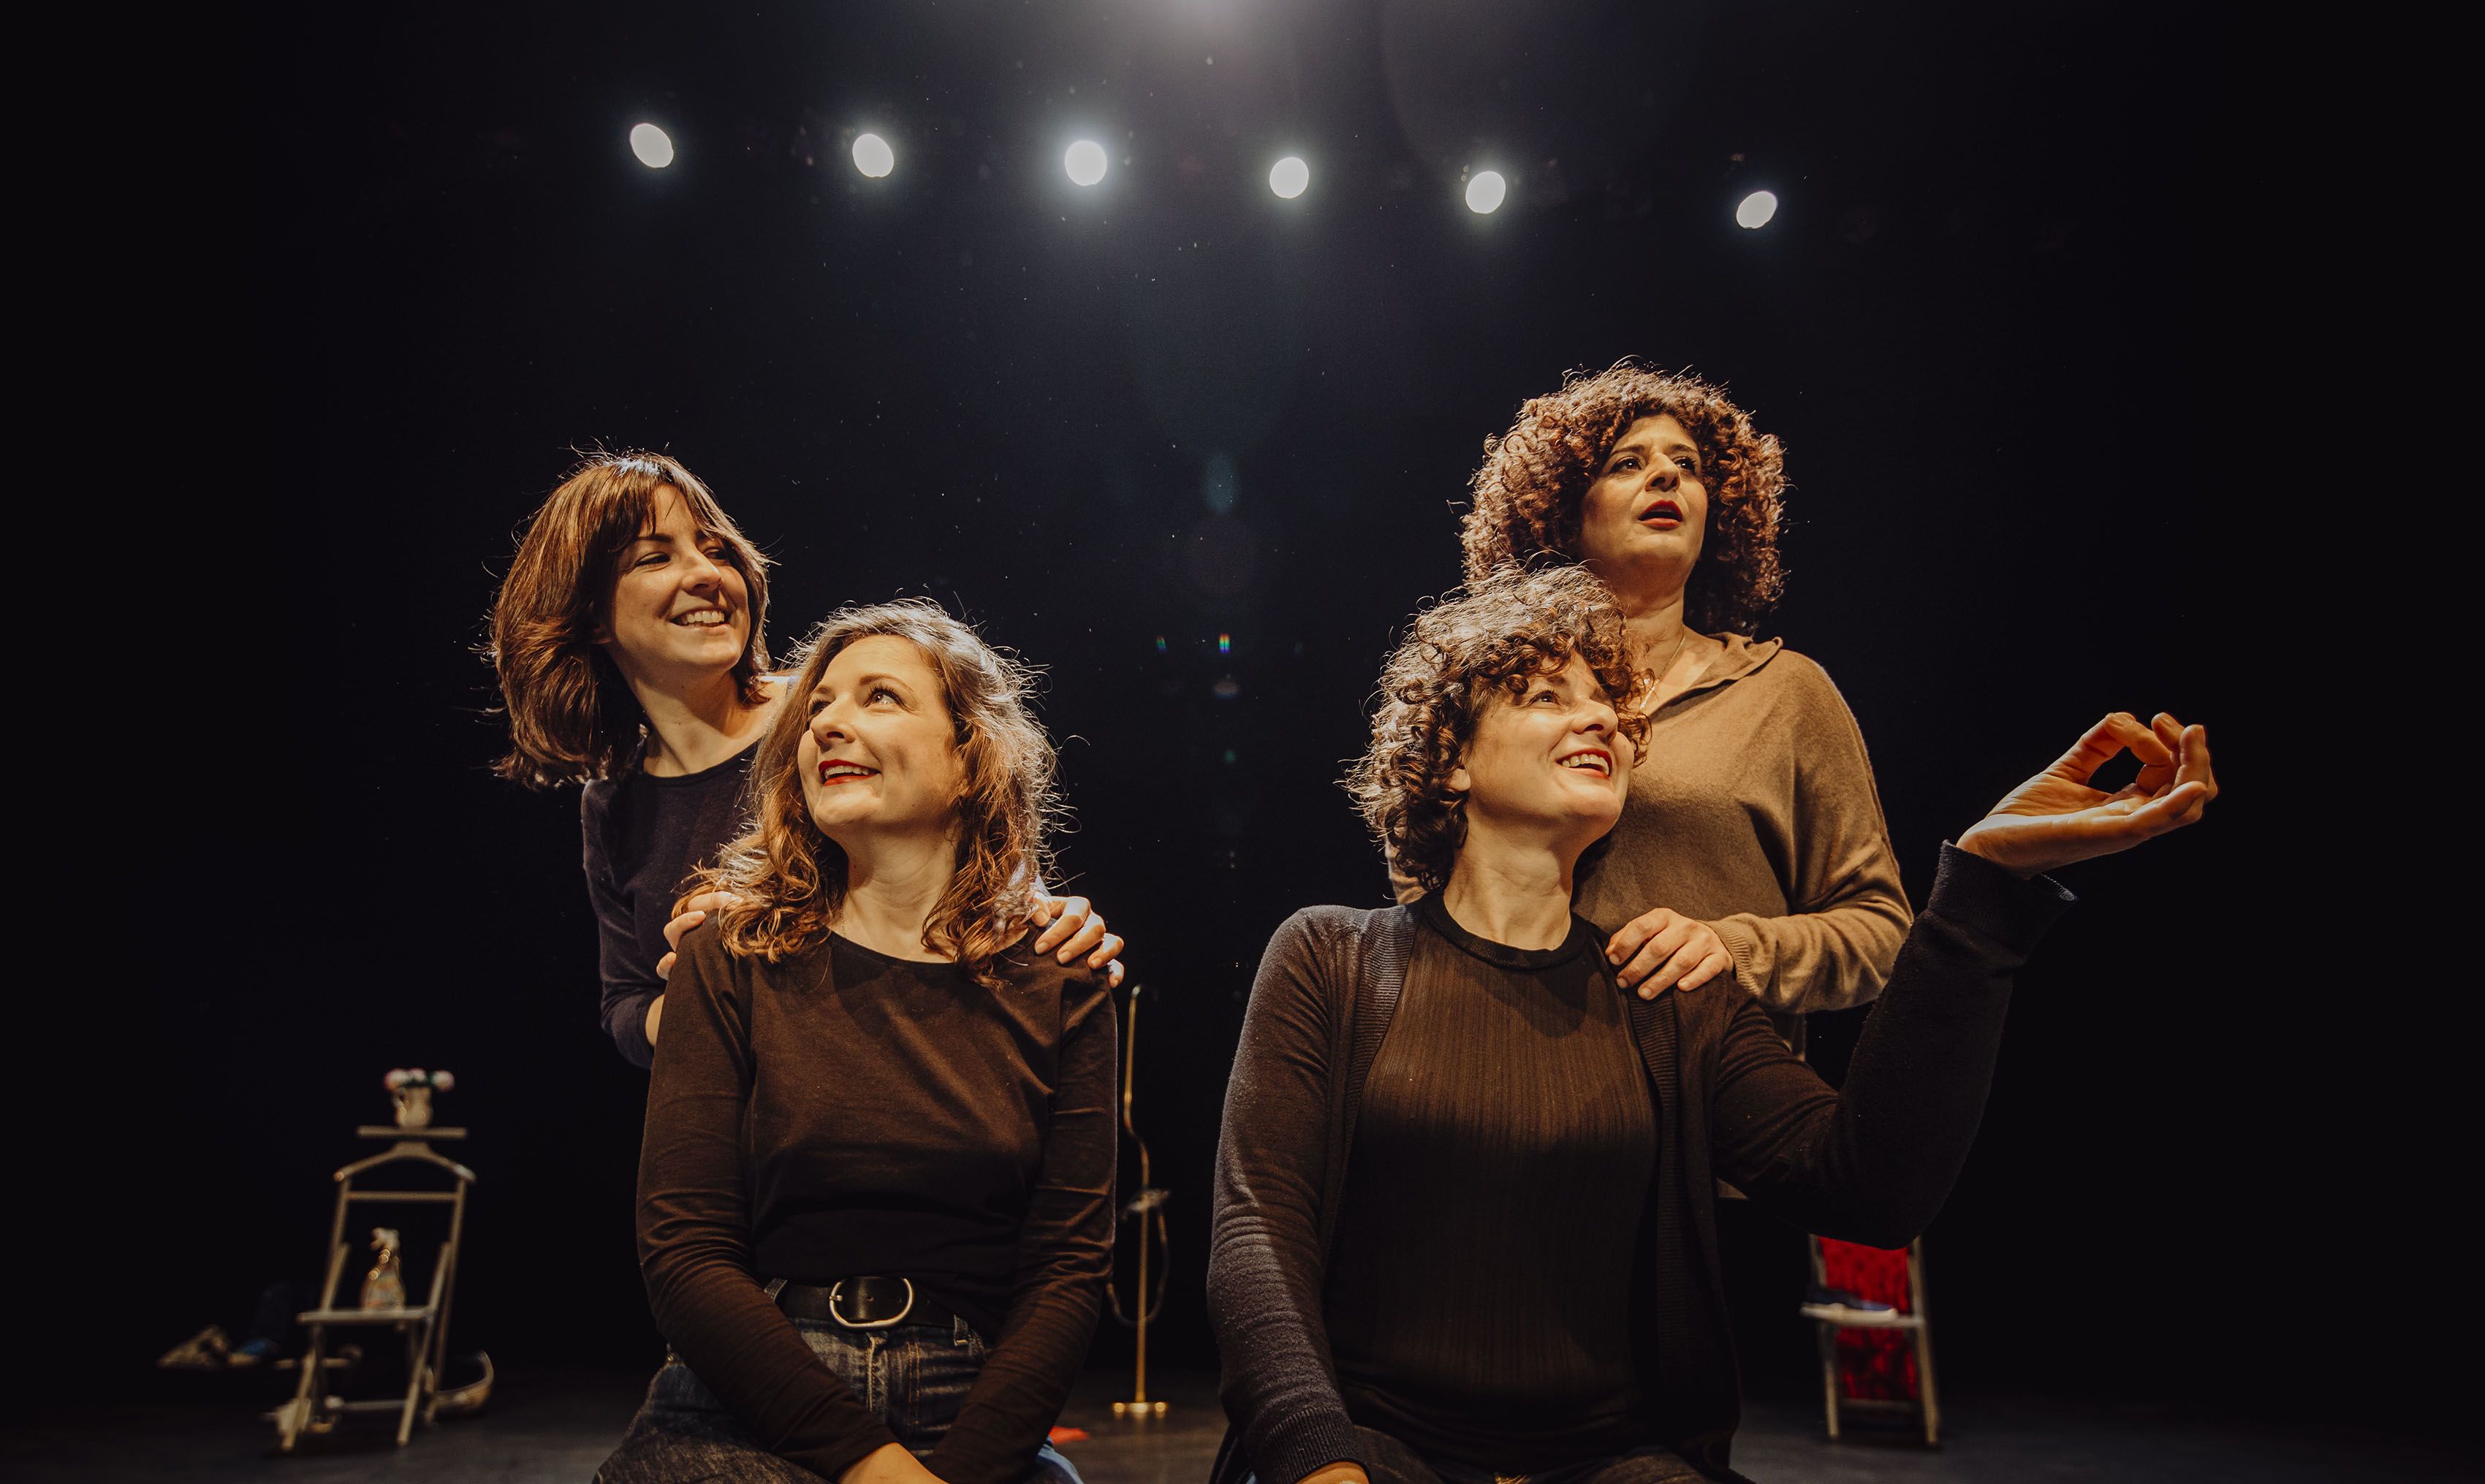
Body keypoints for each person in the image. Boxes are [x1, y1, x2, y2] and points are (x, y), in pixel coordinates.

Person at [1207, 566, 2214, 1484]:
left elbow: (1870, 1185)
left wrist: (1986, 891)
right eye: (1548, 693)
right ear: (1452, 759)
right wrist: (1316, 1456)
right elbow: (1257, 1231)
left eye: (1607, 700)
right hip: (1374, 1448)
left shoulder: (1669, 989)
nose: (1597, 715)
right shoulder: (1333, 956)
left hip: (1610, 1461)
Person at [600, 599, 1116, 1484]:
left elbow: (1069, 1272)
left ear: (969, 758)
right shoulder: (728, 958)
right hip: (745, 1407)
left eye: (879, 697)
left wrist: (966, 1468)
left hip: (973, 1413)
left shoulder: (1061, 978)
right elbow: (685, 1254)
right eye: (820, 707)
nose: (829, 721)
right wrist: (873, 1469)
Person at [486, 451, 1123, 1067]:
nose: (707, 574)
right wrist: (707, 993)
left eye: (716, 549)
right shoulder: (612, 804)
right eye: (656, 557)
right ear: (592, 616)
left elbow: (995, 890)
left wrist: (1050, 918)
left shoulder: (838, 728)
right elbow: (627, 1006)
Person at [1462, 365, 1905, 1035]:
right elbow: (1428, 868)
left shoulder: (1785, 693)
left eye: (1689, 466)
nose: (1667, 476)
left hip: (1724, 1111)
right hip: (1523, 1084)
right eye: (1628, 463)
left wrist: (1737, 949)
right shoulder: (1505, 690)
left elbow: (1880, 930)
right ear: (1562, 506)